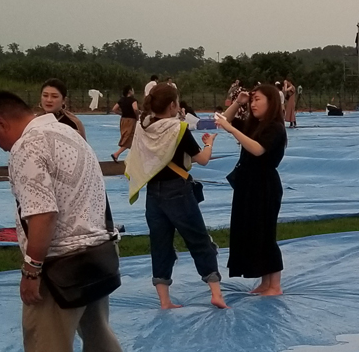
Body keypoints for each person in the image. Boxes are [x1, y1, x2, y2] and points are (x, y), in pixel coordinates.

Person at [0, 90, 125, 352]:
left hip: (60, 265)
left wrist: (32, 270)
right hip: (98, 252)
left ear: (0, 123)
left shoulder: (27, 147)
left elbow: (42, 216)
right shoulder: (68, 131)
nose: (1, 147)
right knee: (99, 333)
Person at [124, 84, 226, 310]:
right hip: (177, 190)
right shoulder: (178, 129)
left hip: (153, 193)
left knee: (160, 244)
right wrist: (209, 143)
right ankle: (216, 293)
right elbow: (202, 159)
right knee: (198, 239)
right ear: (172, 105)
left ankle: (164, 301)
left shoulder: (144, 127)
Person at [214, 85, 287, 296]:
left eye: (257, 100)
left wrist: (233, 131)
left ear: (271, 102)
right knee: (253, 233)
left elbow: (257, 149)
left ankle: (275, 284)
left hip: (264, 186)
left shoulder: (275, 127)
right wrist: (239, 102)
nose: (253, 104)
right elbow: (223, 119)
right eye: (252, 100)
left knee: (265, 234)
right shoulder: (254, 125)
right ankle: (265, 282)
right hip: (248, 185)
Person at [112, 85, 139, 163]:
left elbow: (114, 109)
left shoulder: (121, 100)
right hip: (131, 120)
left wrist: (121, 113)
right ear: (130, 91)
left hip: (123, 120)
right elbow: (135, 108)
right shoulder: (133, 100)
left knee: (128, 137)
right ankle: (116, 154)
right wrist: (137, 116)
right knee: (129, 138)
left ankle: (134, 156)